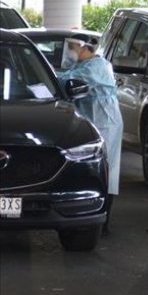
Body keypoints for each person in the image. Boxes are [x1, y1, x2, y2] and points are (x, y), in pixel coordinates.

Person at [57, 34, 123, 234]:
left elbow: (66, 80)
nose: (70, 51)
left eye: (74, 47)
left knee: (105, 170)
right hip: (90, 121)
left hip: (105, 123)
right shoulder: (81, 66)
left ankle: (104, 222)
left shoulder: (97, 67)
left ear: (86, 48)